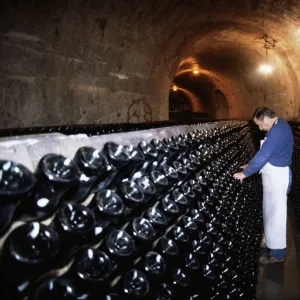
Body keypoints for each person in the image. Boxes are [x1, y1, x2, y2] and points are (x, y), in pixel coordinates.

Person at [233, 107, 293, 265]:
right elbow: (269, 154)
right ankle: (269, 241)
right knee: (270, 213)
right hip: (273, 175)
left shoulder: (276, 132)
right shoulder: (280, 125)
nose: (260, 128)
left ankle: (277, 254)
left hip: (277, 178)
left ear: (266, 119)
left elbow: (265, 154)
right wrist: (250, 165)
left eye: (260, 124)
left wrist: (245, 174)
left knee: (277, 216)